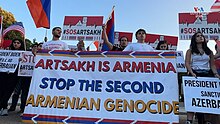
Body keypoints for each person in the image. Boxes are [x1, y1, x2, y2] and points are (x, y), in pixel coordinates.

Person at [185, 31, 220, 124]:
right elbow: (187, 63)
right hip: (194, 75)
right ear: (194, 39)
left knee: (207, 98)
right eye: (198, 36)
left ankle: (207, 121)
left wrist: (216, 74)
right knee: (192, 98)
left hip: (207, 75)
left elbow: (212, 65)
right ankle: (189, 120)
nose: (200, 37)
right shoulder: (190, 51)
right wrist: (192, 73)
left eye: (202, 36)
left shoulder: (209, 52)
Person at [8, 43, 38, 113]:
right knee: (16, 92)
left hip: (30, 77)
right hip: (21, 76)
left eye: (38, 46)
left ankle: (23, 108)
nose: (36, 48)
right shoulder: (25, 53)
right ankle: (13, 106)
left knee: (25, 93)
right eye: (35, 46)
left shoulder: (40, 56)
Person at [0, 39, 25, 116]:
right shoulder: (6, 52)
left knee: (9, 91)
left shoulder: (24, 53)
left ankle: (4, 108)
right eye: (14, 42)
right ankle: (3, 107)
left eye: (18, 43)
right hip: (4, 74)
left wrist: (22, 60)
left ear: (21, 44)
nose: (16, 44)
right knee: (1, 90)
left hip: (14, 76)